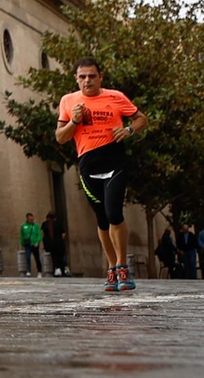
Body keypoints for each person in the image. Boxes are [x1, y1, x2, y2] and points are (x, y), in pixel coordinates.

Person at [55, 57, 148, 293]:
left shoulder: (116, 97)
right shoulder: (68, 101)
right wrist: (74, 120)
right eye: (82, 77)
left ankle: (122, 266)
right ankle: (111, 268)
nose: (87, 81)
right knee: (102, 218)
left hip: (115, 159)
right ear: (76, 78)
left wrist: (128, 130)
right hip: (88, 164)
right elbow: (60, 137)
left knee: (114, 213)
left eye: (92, 76)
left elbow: (141, 119)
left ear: (101, 77)